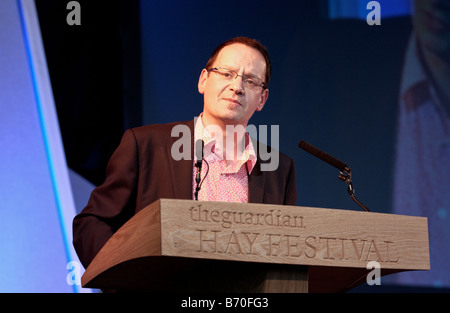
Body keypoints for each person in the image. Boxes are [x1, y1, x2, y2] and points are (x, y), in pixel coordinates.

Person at [72, 37, 297, 270]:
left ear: (262, 99)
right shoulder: (146, 145)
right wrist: (126, 278)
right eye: (226, 73)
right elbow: (91, 223)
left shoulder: (279, 169)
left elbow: (285, 249)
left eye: (250, 81)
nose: (237, 87)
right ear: (203, 80)